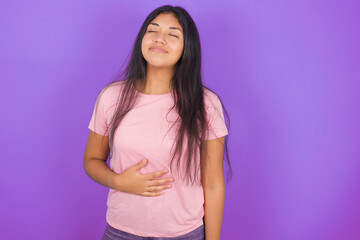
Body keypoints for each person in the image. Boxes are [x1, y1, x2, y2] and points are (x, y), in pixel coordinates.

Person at [83, 5, 232, 240]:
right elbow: (91, 160)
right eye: (152, 31)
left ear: (186, 49)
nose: (159, 39)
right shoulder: (111, 97)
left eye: (173, 34)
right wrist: (119, 181)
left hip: (184, 234)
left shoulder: (205, 103)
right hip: (120, 233)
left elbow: (213, 184)